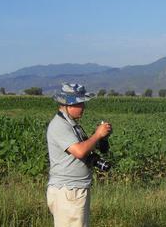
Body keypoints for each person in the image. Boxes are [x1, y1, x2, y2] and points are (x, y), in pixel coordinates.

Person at [46, 83, 112, 227]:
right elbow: (80, 151)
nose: (83, 107)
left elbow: (85, 149)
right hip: (69, 192)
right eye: (79, 103)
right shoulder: (59, 125)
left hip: (74, 190)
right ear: (68, 104)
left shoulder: (71, 124)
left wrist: (101, 138)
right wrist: (97, 134)